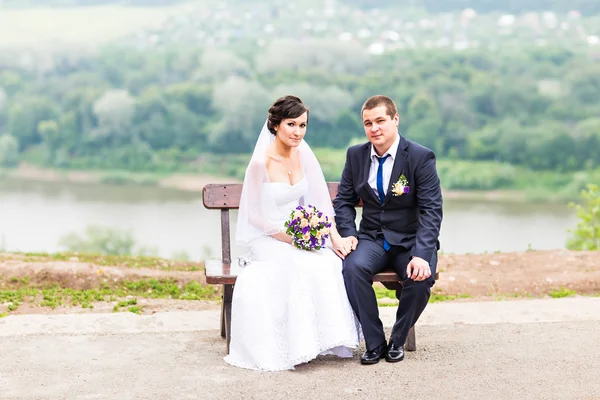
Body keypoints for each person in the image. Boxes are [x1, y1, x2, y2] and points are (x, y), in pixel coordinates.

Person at [224, 95, 362, 372]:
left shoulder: (304, 156)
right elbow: (251, 214)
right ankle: (296, 346)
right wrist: (288, 238)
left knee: (330, 263)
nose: (298, 132)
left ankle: (326, 339)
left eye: (303, 125)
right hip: (269, 237)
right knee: (297, 265)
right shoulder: (259, 164)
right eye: (291, 124)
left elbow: (321, 205)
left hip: (302, 232)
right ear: (275, 125)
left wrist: (333, 237)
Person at [333, 95, 443, 365]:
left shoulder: (419, 157)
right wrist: (348, 234)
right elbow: (343, 201)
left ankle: (397, 338)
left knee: (420, 278)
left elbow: (431, 209)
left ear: (395, 120)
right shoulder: (356, 155)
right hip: (371, 238)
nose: (374, 128)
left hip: (410, 241)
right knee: (352, 269)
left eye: (380, 121)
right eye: (368, 123)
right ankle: (373, 341)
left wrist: (421, 253)